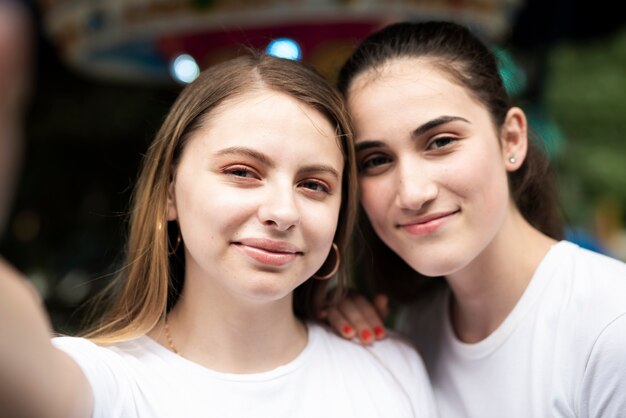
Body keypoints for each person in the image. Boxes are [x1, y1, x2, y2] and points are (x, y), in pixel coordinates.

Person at [0, 52, 437, 418]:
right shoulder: (105, 384)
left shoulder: (390, 365)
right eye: (242, 172)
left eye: (314, 185)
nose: (283, 212)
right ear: (170, 192)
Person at [325, 20, 626, 417]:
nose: (413, 192)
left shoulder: (611, 326)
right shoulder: (415, 329)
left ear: (511, 140)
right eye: (376, 161)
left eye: (441, 142)